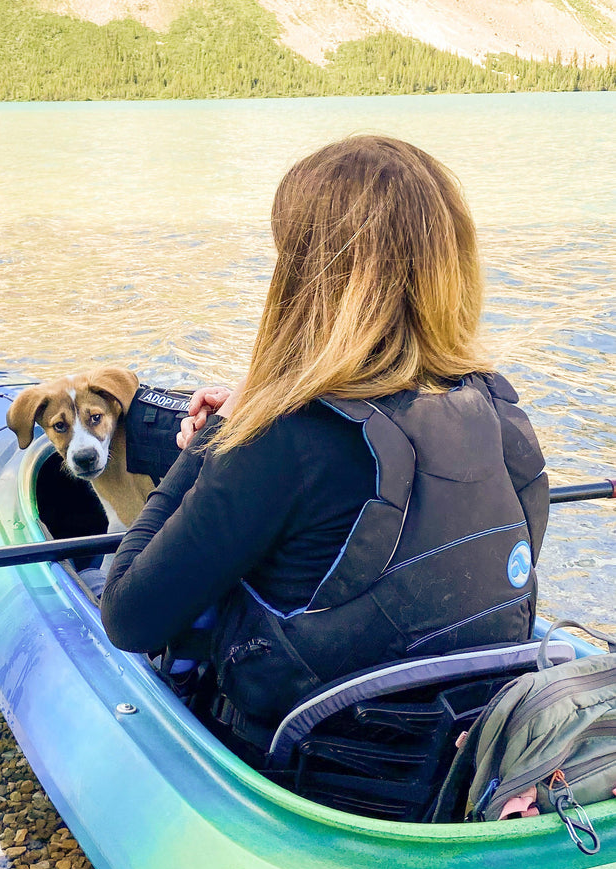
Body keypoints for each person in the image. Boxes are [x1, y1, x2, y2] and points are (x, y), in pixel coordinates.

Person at [100, 135, 548, 765]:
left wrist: (216, 438)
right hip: (467, 754)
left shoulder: (281, 441)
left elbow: (128, 615)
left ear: (309, 278)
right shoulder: (502, 410)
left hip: (314, 772)